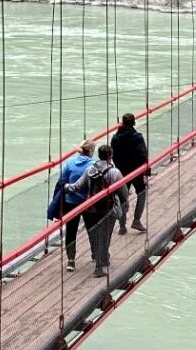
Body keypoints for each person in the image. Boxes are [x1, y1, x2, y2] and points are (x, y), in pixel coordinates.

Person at [46, 139, 96, 270]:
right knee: (92, 228)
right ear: (91, 152)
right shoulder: (93, 165)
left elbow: (61, 181)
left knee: (71, 231)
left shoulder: (69, 162)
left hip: (70, 202)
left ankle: (71, 261)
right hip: (87, 202)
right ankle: (95, 255)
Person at [74, 143, 120, 277]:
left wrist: (66, 188)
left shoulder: (90, 169)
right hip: (107, 209)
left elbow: (78, 186)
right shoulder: (114, 171)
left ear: (98, 155)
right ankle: (100, 265)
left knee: (94, 234)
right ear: (111, 156)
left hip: (90, 209)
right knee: (104, 236)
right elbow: (123, 192)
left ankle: (97, 255)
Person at [109, 112, 148, 234]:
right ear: (134, 123)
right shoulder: (137, 137)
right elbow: (143, 155)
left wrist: (118, 166)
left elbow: (112, 155)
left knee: (122, 198)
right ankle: (136, 220)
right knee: (141, 192)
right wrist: (147, 171)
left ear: (122, 123)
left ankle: (122, 225)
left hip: (121, 172)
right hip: (136, 171)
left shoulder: (115, 138)